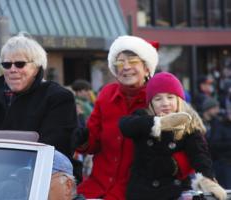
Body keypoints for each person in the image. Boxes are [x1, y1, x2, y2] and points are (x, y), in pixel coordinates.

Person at [75, 36, 192, 200]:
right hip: (97, 189)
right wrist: (80, 138)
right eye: (120, 63)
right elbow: (93, 143)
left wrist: (170, 166)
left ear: (146, 68)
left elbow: (192, 146)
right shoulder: (106, 95)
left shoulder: (161, 98)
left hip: (142, 192)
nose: (126, 67)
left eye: (132, 61)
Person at [0, 34, 77, 168]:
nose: (12, 70)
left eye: (20, 64)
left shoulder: (58, 98)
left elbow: (55, 149)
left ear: (36, 68)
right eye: (6, 64)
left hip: (41, 176)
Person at [119, 72, 226, 200]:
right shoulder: (143, 117)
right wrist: (157, 123)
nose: (165, 103)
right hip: (143, 192)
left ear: (178, 100)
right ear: (151, 103)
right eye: (158, 99)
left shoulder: (188, 123)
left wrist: (207, 179)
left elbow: (199, 155)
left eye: (170, 97)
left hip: (174, 191)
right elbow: (125, 126)